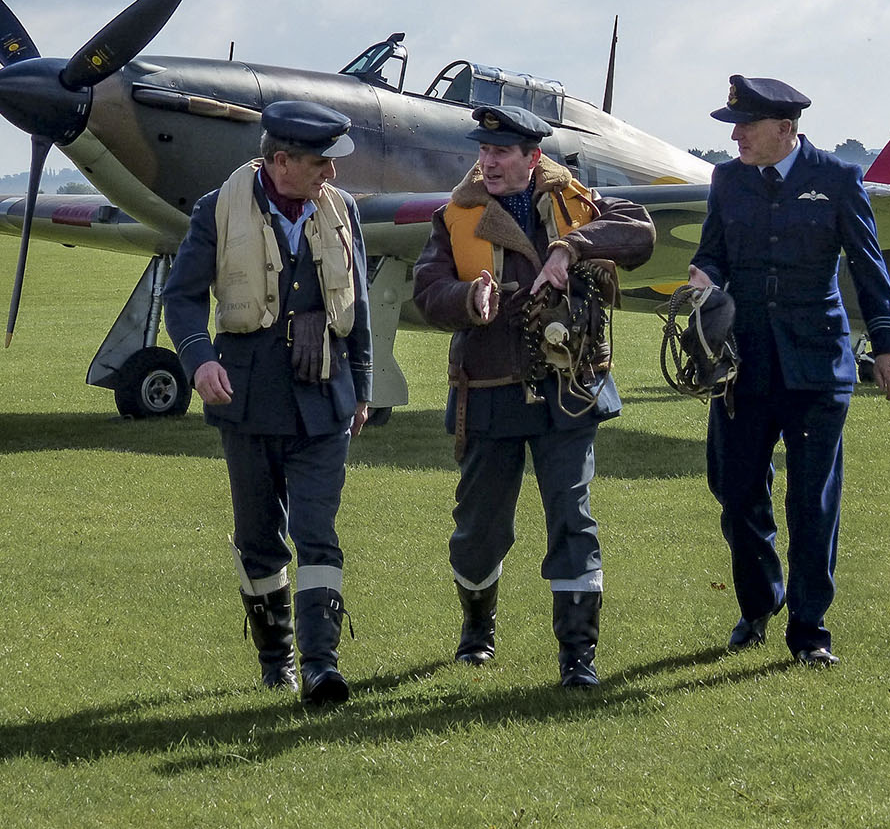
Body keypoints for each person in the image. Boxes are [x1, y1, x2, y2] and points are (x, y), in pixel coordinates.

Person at [412, 104, 655, 688]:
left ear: (532, 158)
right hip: (490, 393)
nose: (488, 162)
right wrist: (469, 298)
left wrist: (571, 248)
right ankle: (477, 632)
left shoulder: (575, 202)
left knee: (573, 520)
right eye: (484, 151)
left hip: (569, 392)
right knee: (479, 529)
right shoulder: (454, 216)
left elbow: (640, 233)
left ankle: (578, 657)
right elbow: (427, 290)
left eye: (501, 152)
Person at [687, 75, 890, 667]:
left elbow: (869, 266)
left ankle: (809, 631)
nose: (736, 137)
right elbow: (712, 249)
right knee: (734, 495)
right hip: (742, 366)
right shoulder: (727, 180)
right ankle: (759, 603)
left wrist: (887, 345)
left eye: (747, 126)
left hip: (816, 365)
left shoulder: (836, 179)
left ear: (786, 129)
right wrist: (703, 273)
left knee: (811, 503)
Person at [163, 100, 371, 704]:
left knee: (315, 530)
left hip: (324, 396)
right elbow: (181, 298)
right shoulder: (214, 211)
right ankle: (274, 657)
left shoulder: (344, 212)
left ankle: (320, 664)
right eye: (318, 163)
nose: (330, 174)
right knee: (257, 538)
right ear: (281, 162)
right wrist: (199, 358)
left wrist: (362, 382)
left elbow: (355, 301)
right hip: (247, 400)